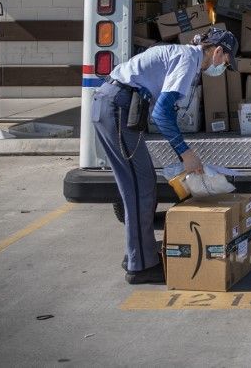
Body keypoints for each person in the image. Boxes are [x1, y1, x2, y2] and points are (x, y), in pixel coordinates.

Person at [91, 26, 238, 284]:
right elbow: (161, 114)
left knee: (140, 186)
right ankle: (140, 267)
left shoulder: (183, 55)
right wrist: (185, 153)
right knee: (140, 189)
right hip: (117, 109)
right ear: (217, 52)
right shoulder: (188, 60)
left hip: (114, 107)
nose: (223, 67)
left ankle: (136, 255)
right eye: (226, 61)